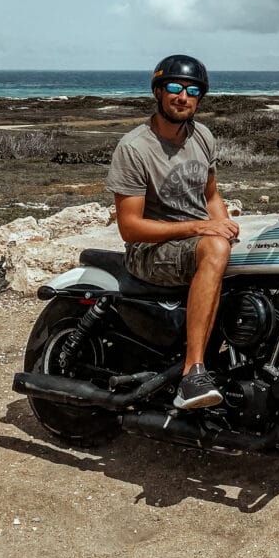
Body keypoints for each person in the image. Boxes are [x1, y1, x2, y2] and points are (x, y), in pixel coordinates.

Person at [106, 54, 239, 410]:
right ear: (158, 92)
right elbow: (130, 228)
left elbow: (211, 194)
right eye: (175, 88)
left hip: (196, 243)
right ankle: (191, 375)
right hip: (150, 251)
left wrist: (225, 228)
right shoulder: (135, 148)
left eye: (192, 90)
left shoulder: (203, 136)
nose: (183, 96)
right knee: (214, 248)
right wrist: (203, 230)